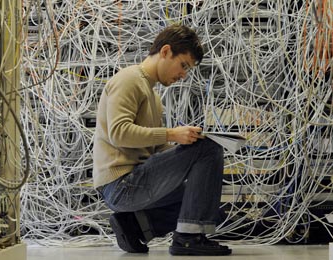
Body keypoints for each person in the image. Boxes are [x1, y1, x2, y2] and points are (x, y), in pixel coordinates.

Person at [92, 24, 231, 256]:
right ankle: (187, 239)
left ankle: (136, 226)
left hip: (136, 180)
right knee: (208, 150)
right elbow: (119, 132)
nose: (183, 75)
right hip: (121, 185)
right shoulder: (129, 80)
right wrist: (172, 134)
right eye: (183, 65)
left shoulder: (154, 96)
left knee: (208, 202)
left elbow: (156, 152)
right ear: (166, 51)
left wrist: (183, 149)